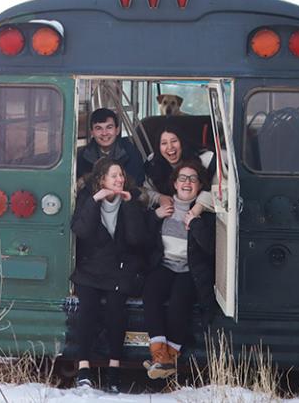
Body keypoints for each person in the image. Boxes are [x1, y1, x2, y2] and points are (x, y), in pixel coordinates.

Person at [70, 157, 150, 393]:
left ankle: (114, 369)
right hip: (91, 269)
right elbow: (81, 231)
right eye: (114, 175)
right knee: (87, 309)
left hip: (120, 269)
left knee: (117, 311)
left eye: (121, 175)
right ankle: (84, 368)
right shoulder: (88, 199)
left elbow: (137, 239)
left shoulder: (131, 200)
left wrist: (129, 204)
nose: (119, 179)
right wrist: (95, 201)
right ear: (101, 179)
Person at [142, 160, 216, 379]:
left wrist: (195, 221)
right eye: (182, 178)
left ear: (200, 185)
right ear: (174, 184)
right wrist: (155, 216)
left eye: (193, 179)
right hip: (165, 265)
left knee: (178, 303)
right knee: (151, 294)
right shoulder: (164, 207)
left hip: (189, 270)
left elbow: (210, 247)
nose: (187, 183)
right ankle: (160, 356)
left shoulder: (205, 213)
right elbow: (143, 237)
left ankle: (169, 357)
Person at [143, 123, 215, 216]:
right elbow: (144, 192)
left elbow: (219, 192)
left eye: (174, 141)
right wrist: (159, 198)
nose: (170, 147)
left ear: (182, 142)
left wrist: (199, 206)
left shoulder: (205, 160)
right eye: (164, 143)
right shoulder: (153, 163)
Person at [77, 108, 144, 186]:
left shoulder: (132, 153)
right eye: (98, 128)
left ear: (117, 130)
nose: (104, 133)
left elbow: (136, 186)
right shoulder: (82, 156)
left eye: (109, 127)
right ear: (92, 132)